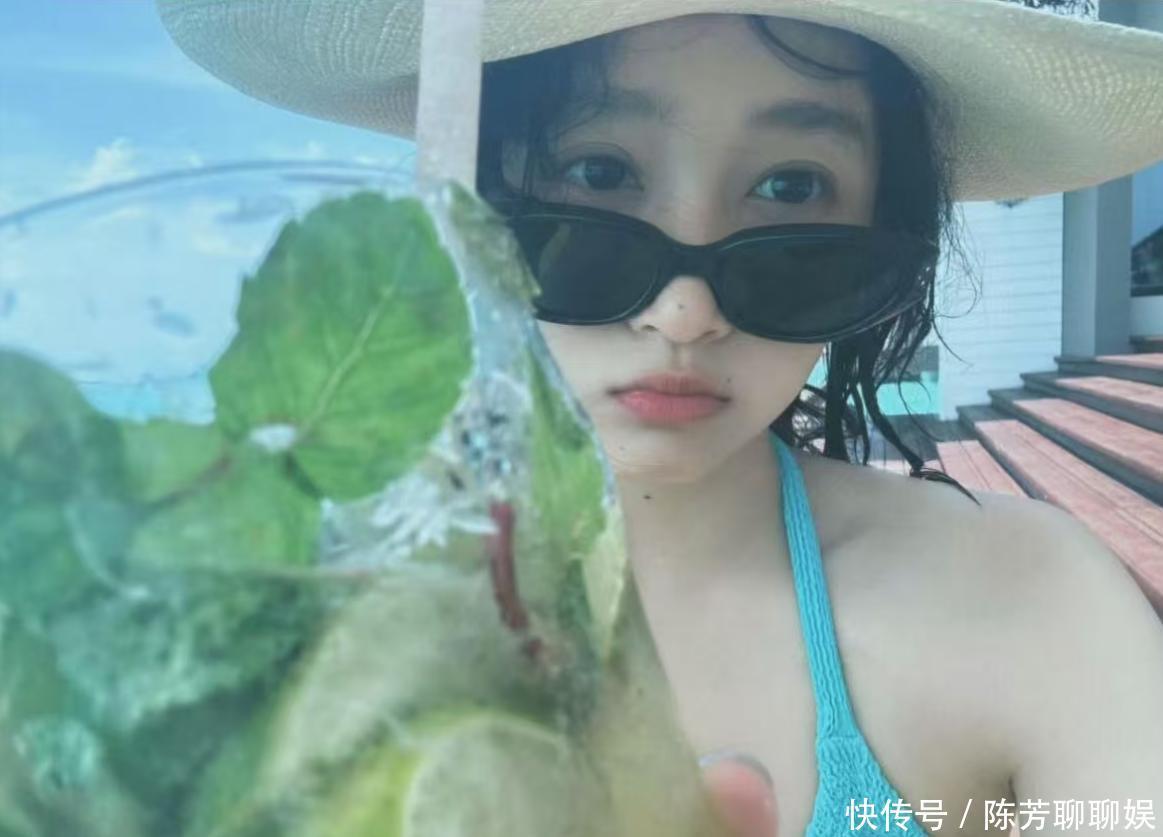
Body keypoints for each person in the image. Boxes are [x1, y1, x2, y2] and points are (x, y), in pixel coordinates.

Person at [157, 1, 1163, 834]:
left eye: (790, 186)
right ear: (469, 196)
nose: (684, 313)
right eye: (599, 172)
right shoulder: (254, 616)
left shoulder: (1027, 599)